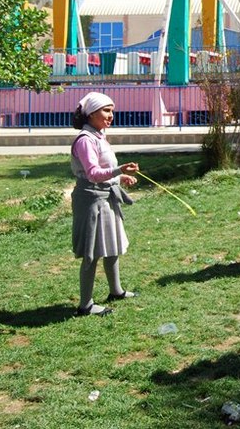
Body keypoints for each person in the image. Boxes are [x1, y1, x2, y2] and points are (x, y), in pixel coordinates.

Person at [69, 92, 139, 317]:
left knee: (112, 245)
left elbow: (104, 171)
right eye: (106, 111)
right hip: (91, 200)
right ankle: (85, 305)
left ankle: (116, 291)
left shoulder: (99, 136)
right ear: (91, 113)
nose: (111, 116)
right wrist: (119, 170)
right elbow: (92, 173)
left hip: (106, 196)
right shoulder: (85, 140)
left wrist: (120, 177)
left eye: (112, 111)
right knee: (92, 253)